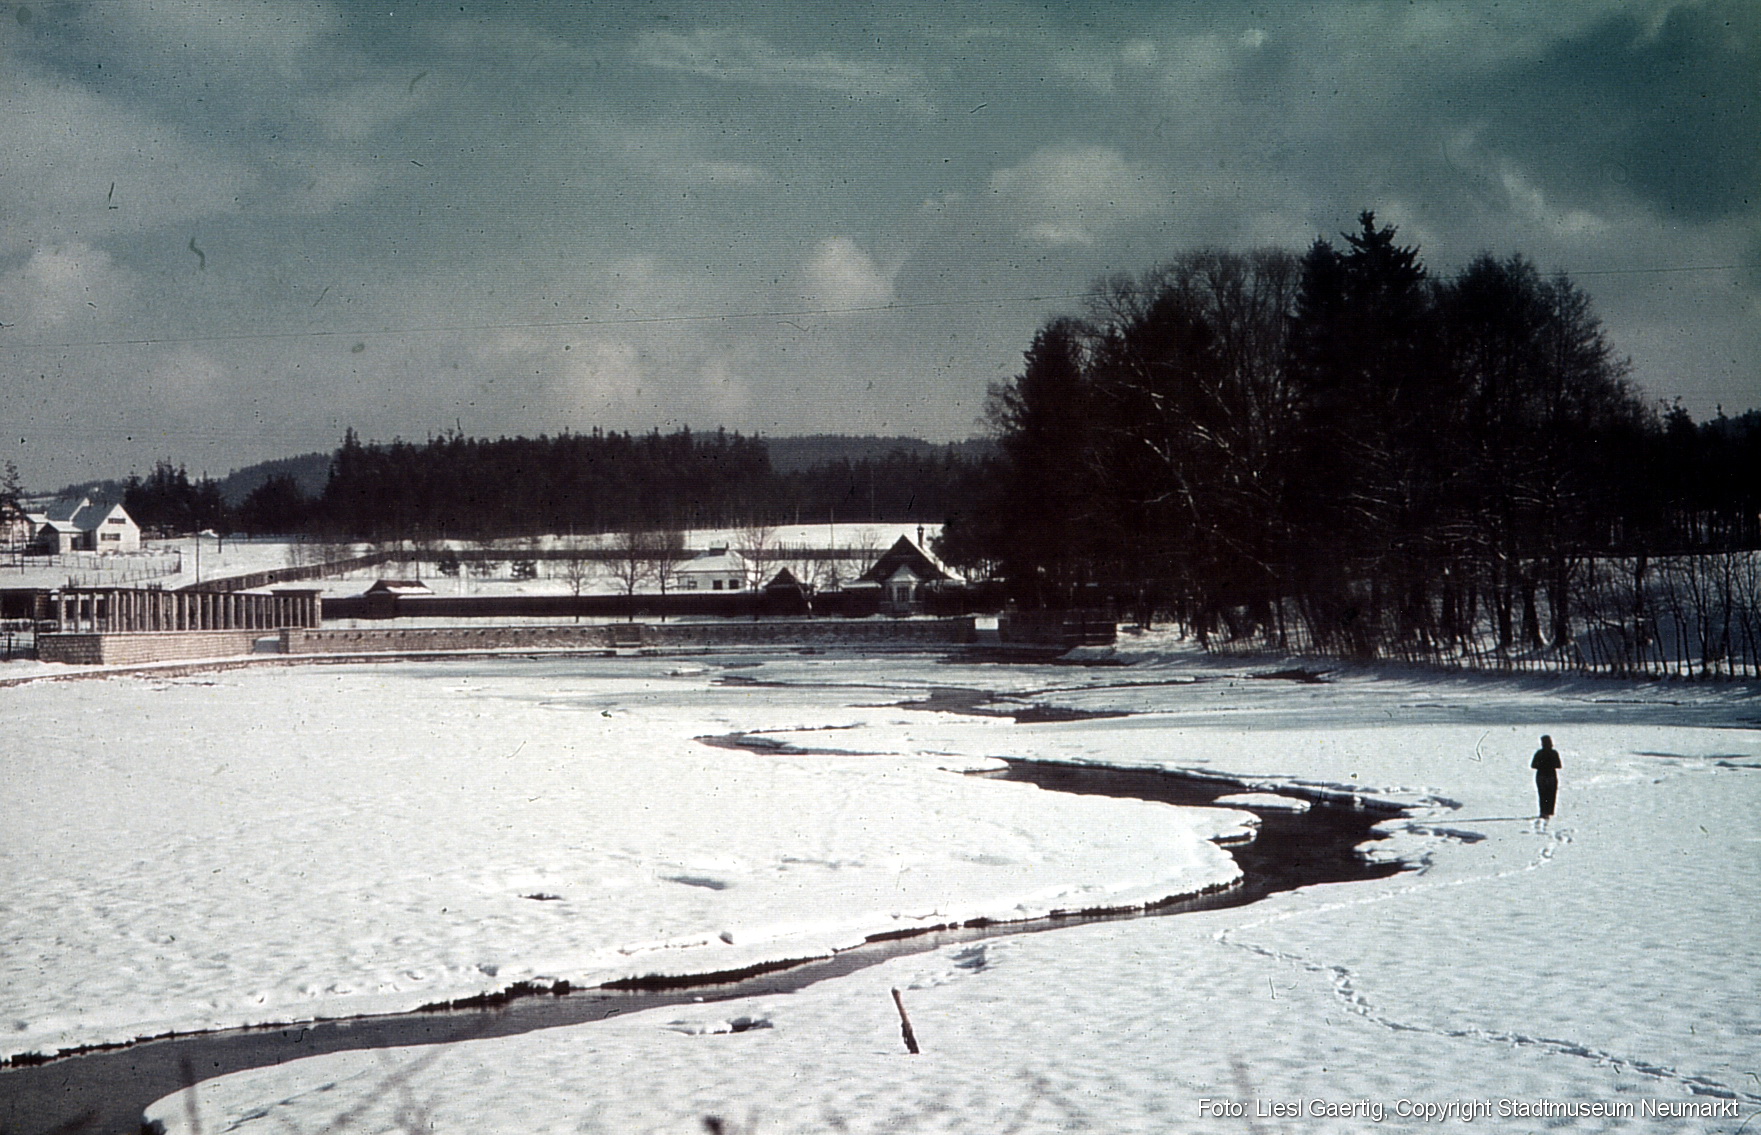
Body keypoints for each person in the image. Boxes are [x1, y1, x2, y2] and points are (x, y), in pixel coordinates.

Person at [1531, 735, 1562, 823]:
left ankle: (1543, 812)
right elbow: (1558, 765)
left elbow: (1533, 765)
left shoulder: (1539, 753)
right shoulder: (1554, 753)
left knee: (1542, 794)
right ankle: (1549, 811)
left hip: (1541, 776)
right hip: (1551, 775)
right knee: (1551, 794)